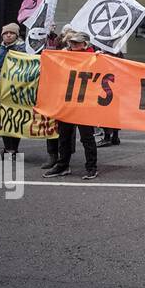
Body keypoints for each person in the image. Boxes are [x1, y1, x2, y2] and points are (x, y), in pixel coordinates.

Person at [43, 30, 99, 180]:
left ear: (85, 44)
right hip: (67, 102)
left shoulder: (95, 58)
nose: (73, 44)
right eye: (72, 42)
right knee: (64, 136)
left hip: (85, 103)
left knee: (87, 137)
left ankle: (91, 167)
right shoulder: (64, 55)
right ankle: (63, 165)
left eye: (77, 42)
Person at [0, 23, 28, 156]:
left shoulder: (23, 51)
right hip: (2, 91)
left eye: (11, 33)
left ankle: (14, 149)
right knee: (4, 120)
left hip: (17, 91)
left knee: (17, 120)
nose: (8, 35)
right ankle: (8, 148)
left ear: (17, 35)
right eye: (6, 33)